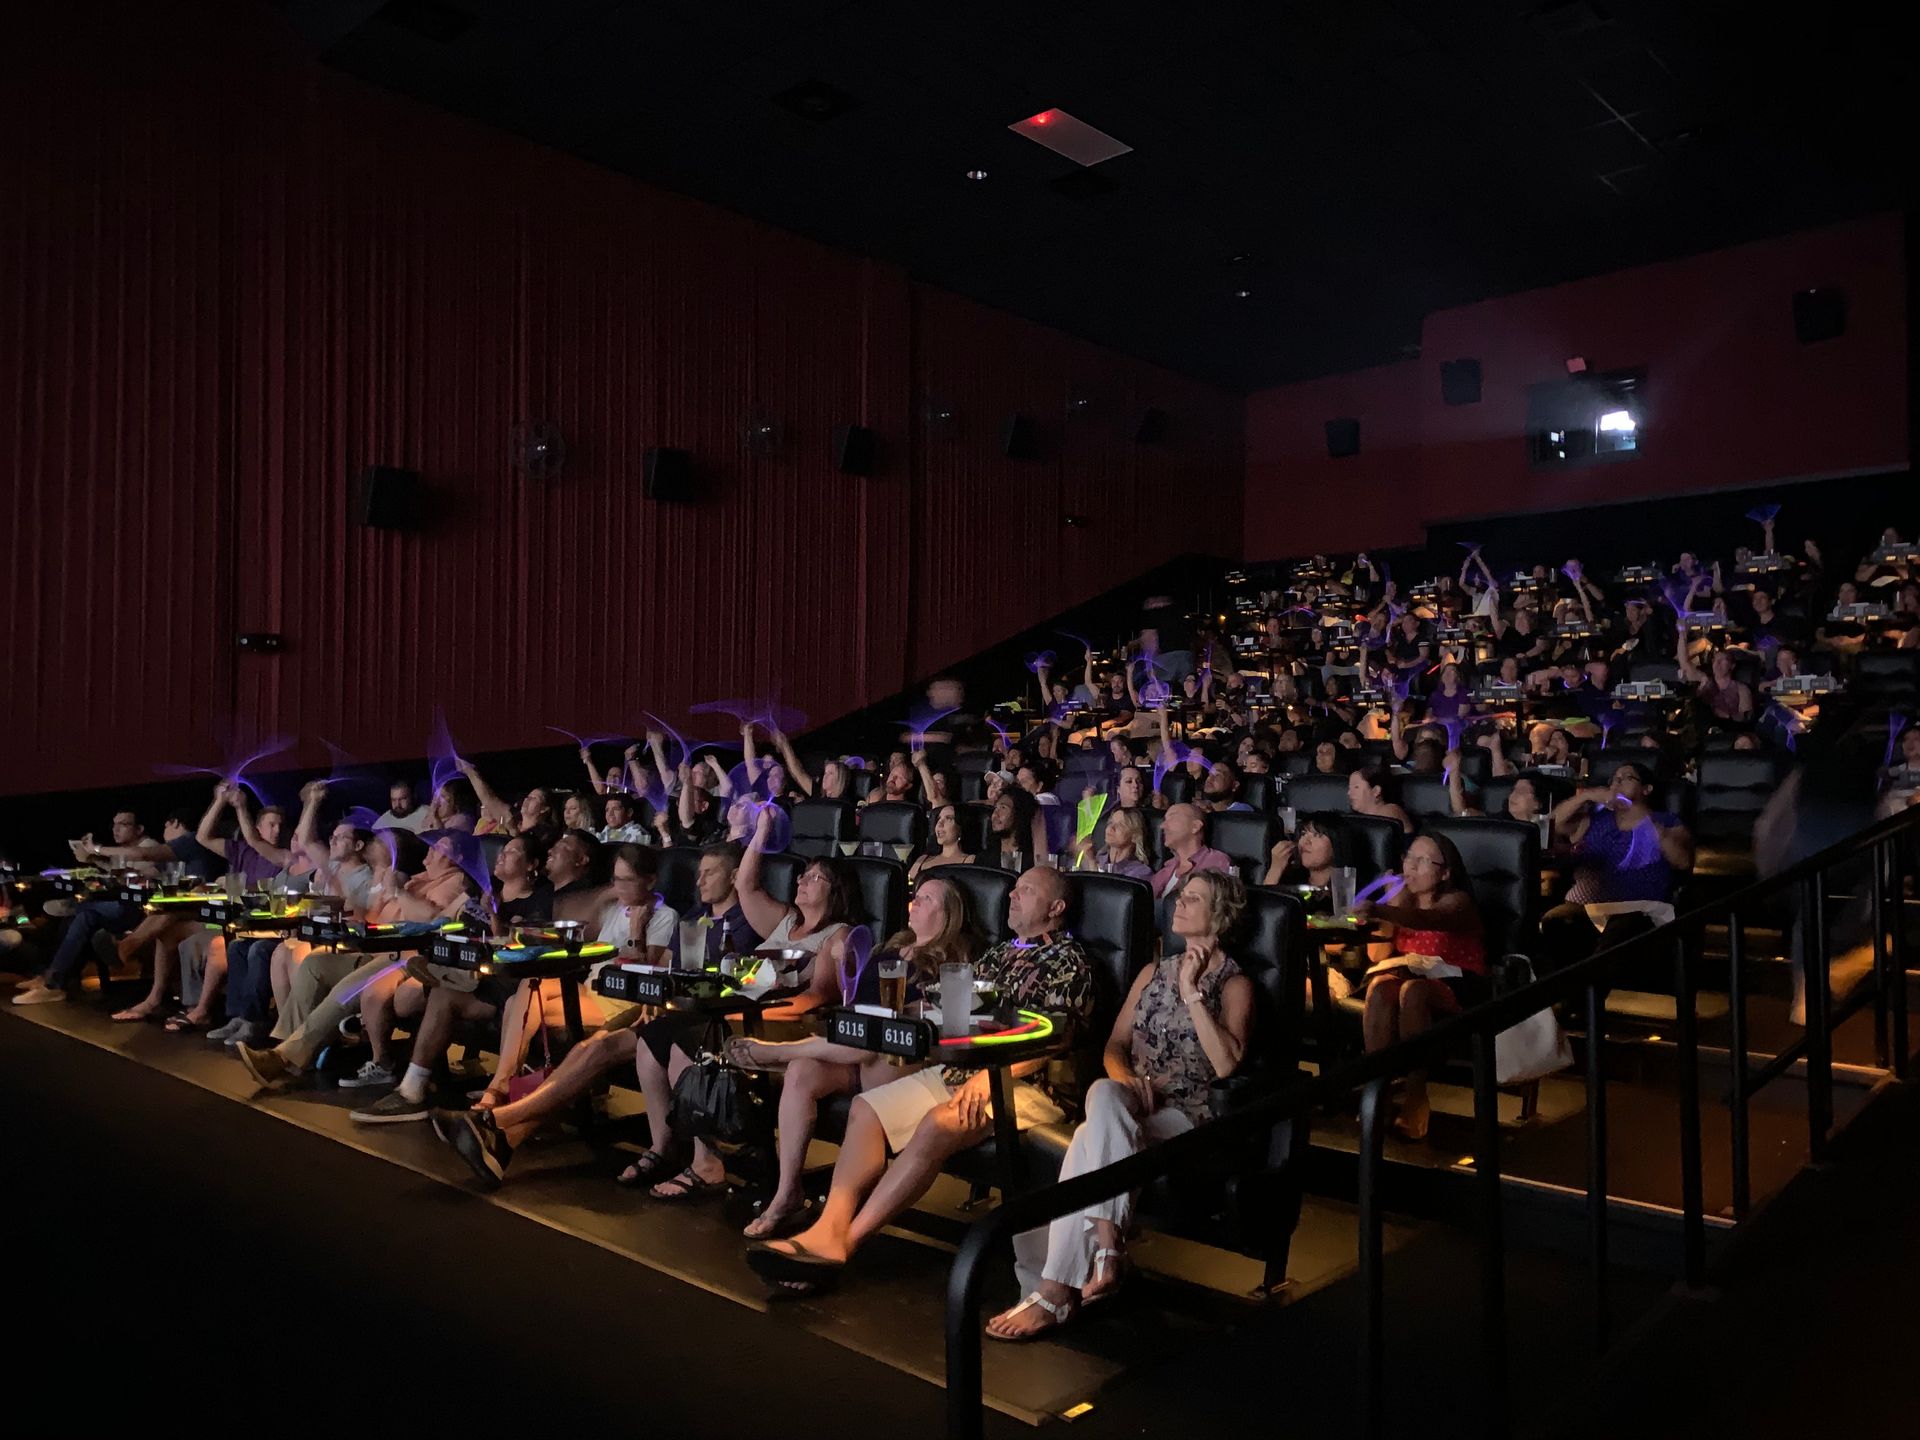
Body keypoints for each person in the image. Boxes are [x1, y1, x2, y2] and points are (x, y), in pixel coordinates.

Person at [746, 867, 1094, 1290]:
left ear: (1056, 908)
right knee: (866, 1109)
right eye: (1014, 888)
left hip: (1026, 1083)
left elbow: (1057, 1041)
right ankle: (826, 1228)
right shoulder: (999, 955)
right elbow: (950, 1013)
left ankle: (843, 1244)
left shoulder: (1068, 962)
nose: (1012, 896)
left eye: (1027, 891)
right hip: (961, 1071)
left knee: (936, 1124)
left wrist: (991, 1076)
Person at [986, 871, 1253, 1338]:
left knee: (1090, 1139)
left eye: (1193, 898)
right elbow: (1114, 1045)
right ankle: (1106, 1250)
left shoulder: (1233, 985)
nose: (1180, 904)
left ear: (1220, 913)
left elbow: (1227, 1064)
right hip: (1134, 1102)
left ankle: (1051, 1290)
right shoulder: (1152, 972)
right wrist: (1126, 1076)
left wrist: (1192, 990)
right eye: (1180, 896)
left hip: (1189, 1116)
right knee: (1105, 1092)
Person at [721, 876, 978, 1239]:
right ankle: (787, 1192)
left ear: (948, 914)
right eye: (914, 896)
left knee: (869, 1039)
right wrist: (846, 970)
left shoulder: (950, 962)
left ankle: (779, 1051)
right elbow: (853, 1003)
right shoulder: (890, 949)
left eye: (926, 899)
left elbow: (933, 1017)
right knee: (802, 1071)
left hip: (898, 1062)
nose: (914, 903)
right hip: (853, 1054)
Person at [232, 830, 472, 1091]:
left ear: (457, 858)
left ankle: (283, 1057)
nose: (432, 851)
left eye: (441, 848)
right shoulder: (416, 880)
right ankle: (286, 1045)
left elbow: (434, 922)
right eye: (433, 847)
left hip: (405, 956)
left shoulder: (453, 882)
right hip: (375, 950)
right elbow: (371, 919)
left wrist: (399, 892)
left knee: (348, 989)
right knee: (315, 965)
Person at [1357, 834, 1487, 1141]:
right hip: (1411, 977)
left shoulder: (1457, 901)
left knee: (1412, 990)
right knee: (1380, 985)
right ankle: (1380, 1089)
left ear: (1445, 873)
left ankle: (1417, 1096)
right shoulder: (1402, 905)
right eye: (1408, 858)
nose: (1411, 866)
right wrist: (1392, 901)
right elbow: (1377, 955)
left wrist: (1381, 909)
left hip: (1460, 982)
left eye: (1422, 861)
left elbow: (1429, 919)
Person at [1540, 763, 1694, 977]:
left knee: (1621, 926)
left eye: (1627, 777)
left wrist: (1651, 828)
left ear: (1646, 789)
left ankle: (1584, 998)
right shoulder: (1595, 820)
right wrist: (1586, 796)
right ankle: (1569, 994)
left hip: (1641, 908)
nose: (1617, 782)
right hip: (1591, 906)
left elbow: (1683, 862)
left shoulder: (1666, 822)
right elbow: (1551, 825)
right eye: (1613, 779)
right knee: (1555, 919)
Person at [11, 809, 172, 1006]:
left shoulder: (149, 847)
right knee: (72, 920)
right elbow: (117, 874)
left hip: (143, 911)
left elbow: (138, 878)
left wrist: (96, 853)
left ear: (139, 829)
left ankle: (53, 984)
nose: (116, 829)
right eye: (114, 824)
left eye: (123, 824)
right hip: (124, 905)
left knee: (85, 913)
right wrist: (91, 859)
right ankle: (51, 978)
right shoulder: (124, 850)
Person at [1074, 806, 1153, 879]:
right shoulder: (1094, 859)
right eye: (1110, 823)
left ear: (1134, 836)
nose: (1111, 828)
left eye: (1120, 825)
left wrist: (1092, 864)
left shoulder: (1140, 872)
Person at [909, 803, 975, 882]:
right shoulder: (922, 859)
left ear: (960, 828)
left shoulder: (969, 860)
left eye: (948, 818)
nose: (940, 824)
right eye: (939, 819)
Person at [1347, 760, 1414, 834]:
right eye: (1349, 788)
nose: (1349, 793)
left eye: (1356, 787)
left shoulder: (1390, 810)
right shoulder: (1355, 817)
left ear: (1376, 791)